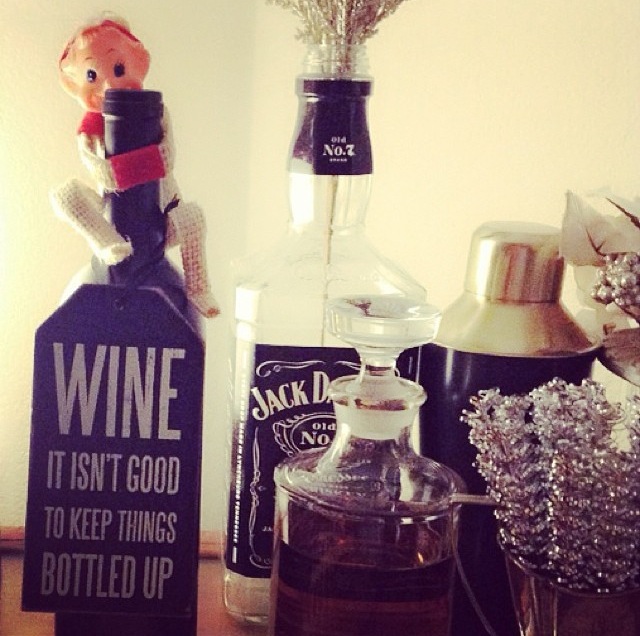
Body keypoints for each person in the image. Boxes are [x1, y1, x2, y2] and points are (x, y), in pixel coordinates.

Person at [51, 13, 219, 318]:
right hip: (108, 217)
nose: (108, 84)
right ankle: (108, 246)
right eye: (92, 76)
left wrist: (127, 170)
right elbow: (101, 172)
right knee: (64, 196)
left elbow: (166, 157)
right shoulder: (90, 128)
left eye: (118, 69)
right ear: (77, 85)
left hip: (158, 225)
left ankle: (199, 289)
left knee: (193, 218)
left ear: (138, 64)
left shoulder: (157, 113)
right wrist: (137, 168)